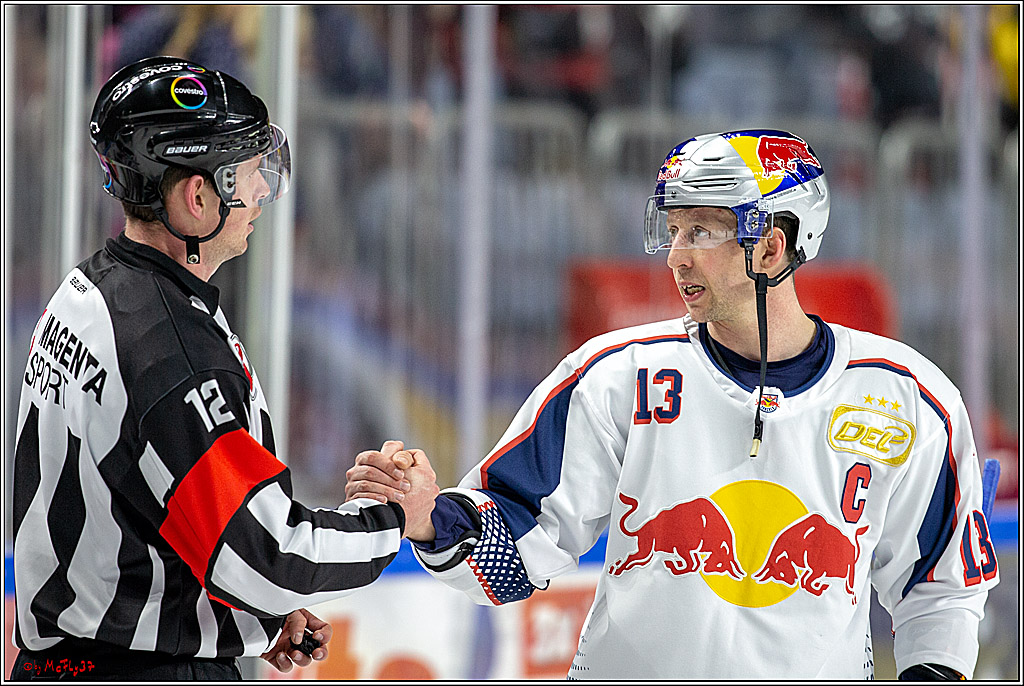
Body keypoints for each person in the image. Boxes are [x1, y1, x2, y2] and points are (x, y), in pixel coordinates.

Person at [345, 129, 998, 679]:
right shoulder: (616, 377)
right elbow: (521, 544)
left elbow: (942, 589)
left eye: (704, 233)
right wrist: (433, 519)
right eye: (675, 230)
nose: (676, 257)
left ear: (773, 246)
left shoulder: (909, 397)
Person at [9, 56, 437, 681]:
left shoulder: (94, 289)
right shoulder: (168, 347)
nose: (262, 190)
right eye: (246, 171)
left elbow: (142, 507)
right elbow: (266, 551)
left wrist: (241, 619)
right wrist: (399, 516)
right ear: (198, 194)